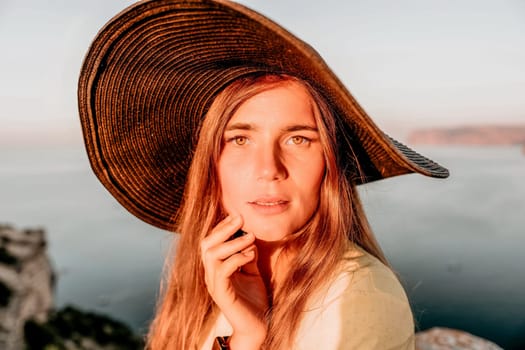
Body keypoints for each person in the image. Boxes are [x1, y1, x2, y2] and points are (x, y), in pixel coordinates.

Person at [78, 1, 449, 349]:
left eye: (298, 139)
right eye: (239, 139)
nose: (269, 169)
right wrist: (245, 333)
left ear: (331, 164)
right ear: (211, 164)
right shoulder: (205, 283)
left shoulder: (358, 298)